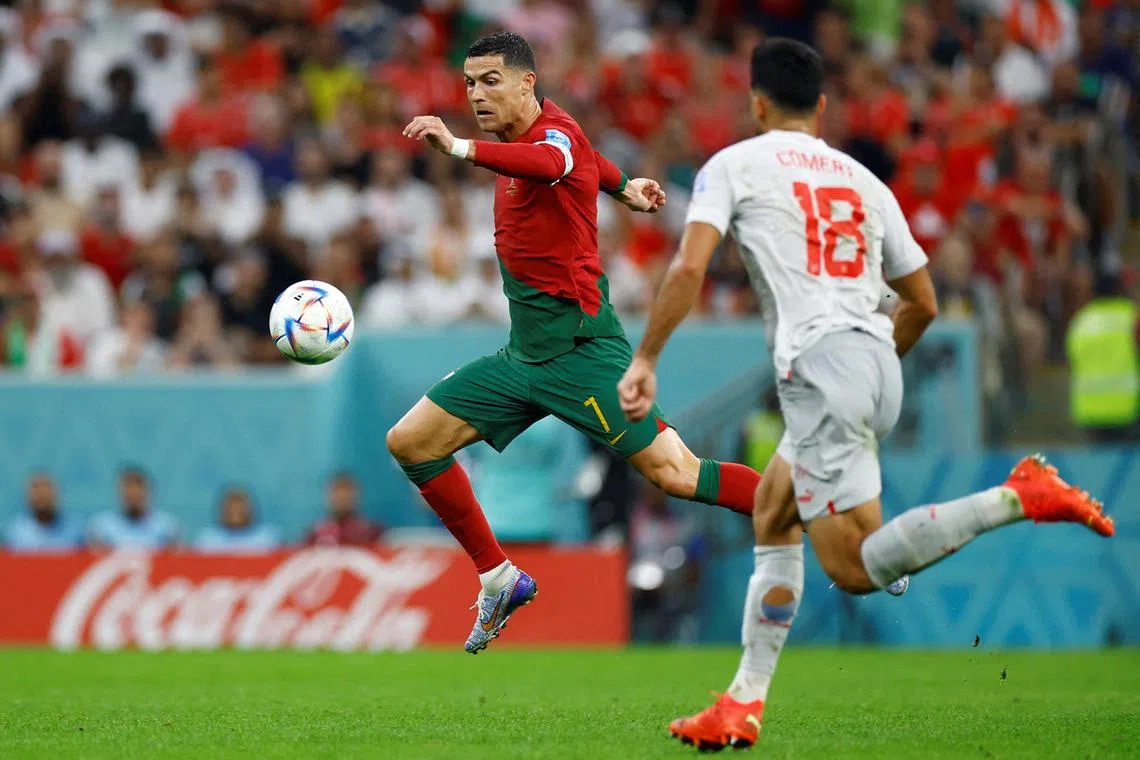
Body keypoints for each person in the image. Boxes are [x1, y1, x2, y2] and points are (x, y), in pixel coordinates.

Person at [616, 39, 1115, 751]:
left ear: (756, 103)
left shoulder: (734, 164)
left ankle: (1015, 496)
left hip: (821, 366)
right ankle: (742, 703)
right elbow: (924, 300)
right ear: (821, 106)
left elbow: (690, 266)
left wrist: (647, 358)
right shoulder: (865, 180)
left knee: (852, 569)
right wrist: (869, 359)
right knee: (772, 507)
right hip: (876, 358)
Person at [388, 31, 765, 655]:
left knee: (677, 473)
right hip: (524, 358)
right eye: (470, 84)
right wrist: (625, 188)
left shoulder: (547, 139)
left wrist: (456, 146)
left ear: (527, 83)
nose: (478, 95)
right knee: (411, 442)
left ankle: (840, 525)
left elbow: (557, 162)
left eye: (491, 81)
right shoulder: (540, 138)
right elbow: (588, 162)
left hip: (584, 354)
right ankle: (499, 575)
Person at [88, 467, 179, 550]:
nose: (133, 494)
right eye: (128, 488)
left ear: (148, 491)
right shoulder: (102, 528)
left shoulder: (166, 528)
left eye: (138, 488)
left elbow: (175, 560)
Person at [2, 473, 84, 552]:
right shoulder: (15, 533)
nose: (42, 496)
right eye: (36, 490)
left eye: (46, 490)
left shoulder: (74, 531)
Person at [305, 472, 383, 546]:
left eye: (347, 490)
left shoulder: (371, 533)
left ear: (357, 495)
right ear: (328, 495)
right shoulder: (314, 534)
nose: (342, 496)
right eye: (337, 490)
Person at [195, 487, 281, 553]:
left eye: (240, 508)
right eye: (231, 508)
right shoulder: (208, 540)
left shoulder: (267, 539)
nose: (235, 511)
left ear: (251, 510)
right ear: (222, 511)